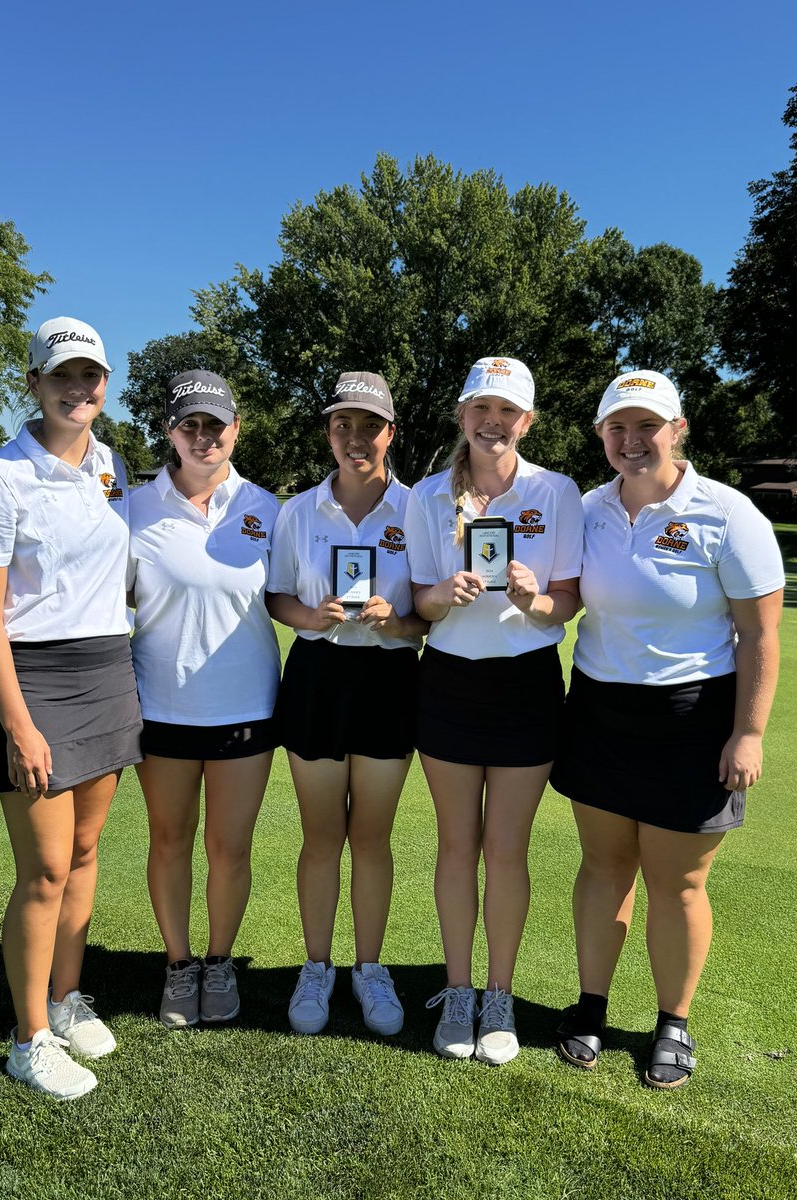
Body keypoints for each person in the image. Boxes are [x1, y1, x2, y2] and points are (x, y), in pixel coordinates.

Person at [550, 369, 784, 1089]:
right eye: (617, 427)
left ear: (677, 430)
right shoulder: (584, 509)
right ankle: (590, 1006)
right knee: (602, 866)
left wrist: (749, 733)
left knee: (678, 882)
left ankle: (672, 1022)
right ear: (600, 435)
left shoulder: (727, 513)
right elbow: (558, 595)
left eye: (647, 425)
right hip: (597, 709)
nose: (632, 440)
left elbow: (760, 635)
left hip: (693, 717)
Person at [0, 317, 143, 1100]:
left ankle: (66, 1000)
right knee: (44, 871)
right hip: (36, 682)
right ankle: (29, 1039)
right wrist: (18, 722)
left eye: (91, 375)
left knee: (89, 853)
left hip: (107, 670)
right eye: (62, 375)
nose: (79, 388)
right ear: (32, 382)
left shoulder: (112, 465)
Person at [404, 356, 583, 1065]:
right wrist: (445, 594)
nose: (493, 421)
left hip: (527, 685)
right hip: (446, 682)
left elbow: (565, 603)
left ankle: (499, 995)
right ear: (463, 416)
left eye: (507, 411)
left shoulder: (558, 491)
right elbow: (420, 601)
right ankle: (457, 990)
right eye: (481, 408)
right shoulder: (426, 496)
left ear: (527, 421)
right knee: (456, 846)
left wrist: (532, 597)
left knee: (506, 850)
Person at [266, 371, 426, 1038]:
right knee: (322, 835)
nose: (355, 438)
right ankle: (316, 966)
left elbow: (431, 617)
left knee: (372, 837)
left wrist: (397, 620)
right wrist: (313, 611)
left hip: (389, 678)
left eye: (370, 426)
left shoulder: (421, 511)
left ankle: (368, 968)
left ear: (390, 432)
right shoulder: (297, 511)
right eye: (343, 425)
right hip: (317, 676)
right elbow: (276, 597)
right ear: (329, 432)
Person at [127, 370, 280, 1029]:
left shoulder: (268, 509)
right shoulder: (134, 507)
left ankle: (219, 963)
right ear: (170, 433)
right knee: (169, 839)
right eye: (189, 425)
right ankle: (179, 964)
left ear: (235, 429)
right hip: (160, 707)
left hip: (246, 706)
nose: (203, 436)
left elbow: (288, 599)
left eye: (214, 425)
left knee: (230, 846)